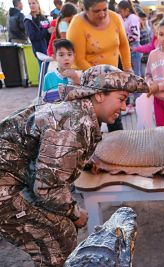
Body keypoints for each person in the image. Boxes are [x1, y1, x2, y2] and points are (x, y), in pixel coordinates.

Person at [0, 64, 148, 266]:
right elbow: (47, 188)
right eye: (121, 99)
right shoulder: (75, 122)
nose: (123, 107)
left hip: (16, 177)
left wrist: (84, 163)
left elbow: (51, 157)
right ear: (99, 96)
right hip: (5, 187)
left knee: (61, 228)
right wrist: (75, 213)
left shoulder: (78, 112)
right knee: (59, 236)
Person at [67, 0, 132, 132]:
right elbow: (79, 59)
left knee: (115, 118)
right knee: (90, 123)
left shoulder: (114, 17)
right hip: (88, 81)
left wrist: (127, 68)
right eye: (97, 11)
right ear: (85, 9)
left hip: (111, 80)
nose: (102, 14)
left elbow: (124, 45)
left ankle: (119, 149)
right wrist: (101, 80)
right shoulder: (77, 24)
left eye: (105, 9)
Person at [24, 0, 52, 68]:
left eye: (33, 3)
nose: (31, 5)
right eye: (29, 4)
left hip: (48, 48)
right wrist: (47, 31)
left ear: (38, 4)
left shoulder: (44, 18)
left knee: (46, 69)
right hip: (39, 49)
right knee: (43, 69)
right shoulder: (28, 19)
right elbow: (32, 36)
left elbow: (48, 34)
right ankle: (41, 79)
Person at [117, 0, 142, 76]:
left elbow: (135, 35)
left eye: (121, 11)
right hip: (130, 46)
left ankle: (138, 88)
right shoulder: (128, 19)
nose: (120, 14)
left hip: (133, 46)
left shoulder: (132, 18)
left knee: (135, 73)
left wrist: (124, 40)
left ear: (127, 10)